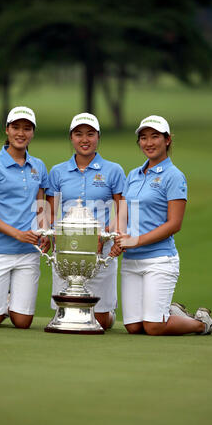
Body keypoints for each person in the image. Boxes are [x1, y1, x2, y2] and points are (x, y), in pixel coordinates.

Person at [110, 115, 212, 335]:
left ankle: (201, 323)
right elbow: (123, 212)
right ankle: (171, 311)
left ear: (167, 140)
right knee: (133, 327)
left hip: (159, 260)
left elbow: (174, 224)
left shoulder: (174, 176)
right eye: (144, 138)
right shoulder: (133, 175)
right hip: (132, 261)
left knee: (154, 327)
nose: (148, 143)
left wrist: (135, 240)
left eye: (155, 136)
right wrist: (120, 236)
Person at [45, 113, 126, 330]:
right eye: (78, 134)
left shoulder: (114, 170)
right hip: (68, 249)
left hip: (101, 250)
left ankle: (109, 313)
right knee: (69, 313)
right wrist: (53, 238)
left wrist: (105, 234)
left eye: (90, 134)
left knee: (98, 322)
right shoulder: (57, 172)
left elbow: (122, 210)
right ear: (71, 138)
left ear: (98, 137)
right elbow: (50, 213)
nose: (84, 139)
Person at [0, 106, 49, 329]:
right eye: (16, 127)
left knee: (23, 322)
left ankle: (5, 302)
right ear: (7, 130)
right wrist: (18, 234)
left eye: (27, 128)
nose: (21, 133)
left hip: (28, 252)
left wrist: (44, 232)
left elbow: (41, 206)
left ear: (32, 133)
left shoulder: (39, 166)